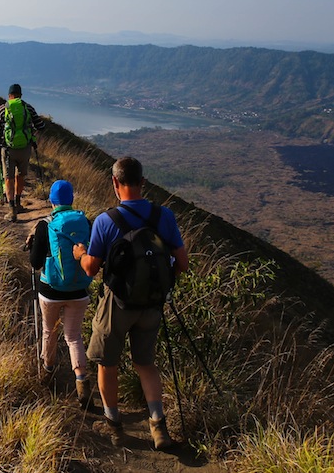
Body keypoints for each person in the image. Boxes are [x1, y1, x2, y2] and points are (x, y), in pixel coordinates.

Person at [74, 156, 189, 450]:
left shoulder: (106, 221)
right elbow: (183, 262)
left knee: (106, 364)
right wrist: (160, 284)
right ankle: (159, 427)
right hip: (152, 305)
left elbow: (91, 268)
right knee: (146, 364)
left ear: (115, 183)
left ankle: (114, 426)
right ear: (142, 182)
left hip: (117, 304)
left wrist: (80, 254)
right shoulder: (164, 216)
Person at [26, 180, 92, 406]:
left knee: (49, 331)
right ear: (71, 199)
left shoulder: (46, 225)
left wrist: (34, 244)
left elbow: (35, 263)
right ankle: (82, 383)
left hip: (50, 290)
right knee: (74, 337)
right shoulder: (85, 221)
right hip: (79, 290)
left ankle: (47, 371)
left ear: (52, 201)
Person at [0, 83, 46, 222]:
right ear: (21, 95)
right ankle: (18, 203)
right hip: (25, 149)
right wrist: (30, 133)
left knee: (8, 178)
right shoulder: (28, 108)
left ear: (9, 95)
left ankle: (12, 210)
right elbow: (41, 126)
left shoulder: (3, 109)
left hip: (8, 150)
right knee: (21, 175)